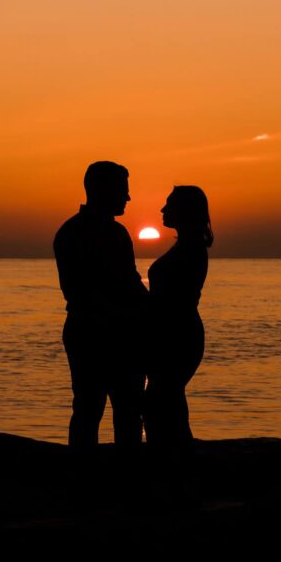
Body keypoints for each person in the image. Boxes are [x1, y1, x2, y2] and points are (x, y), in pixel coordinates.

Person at [53, 161, 149, 461]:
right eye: (123, 190)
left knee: (108, 410)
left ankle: (102, 478)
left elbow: (129, 284)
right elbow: (99, 290)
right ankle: (100, 479)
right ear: (100, 189)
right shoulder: (83, 234)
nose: (128, 198)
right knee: (99, 410)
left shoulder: (89, 232)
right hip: (99, 334)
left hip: (101, 332)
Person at [144, 185, 211, 460]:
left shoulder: (191, 249)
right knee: (167, 401)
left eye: (169, 204)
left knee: (160, 401)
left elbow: (174, 300)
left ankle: (173, 466)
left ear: (184, 211)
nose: (162, 210)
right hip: (173, 333)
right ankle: (177, 464)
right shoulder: (186, 246)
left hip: (178, 335)